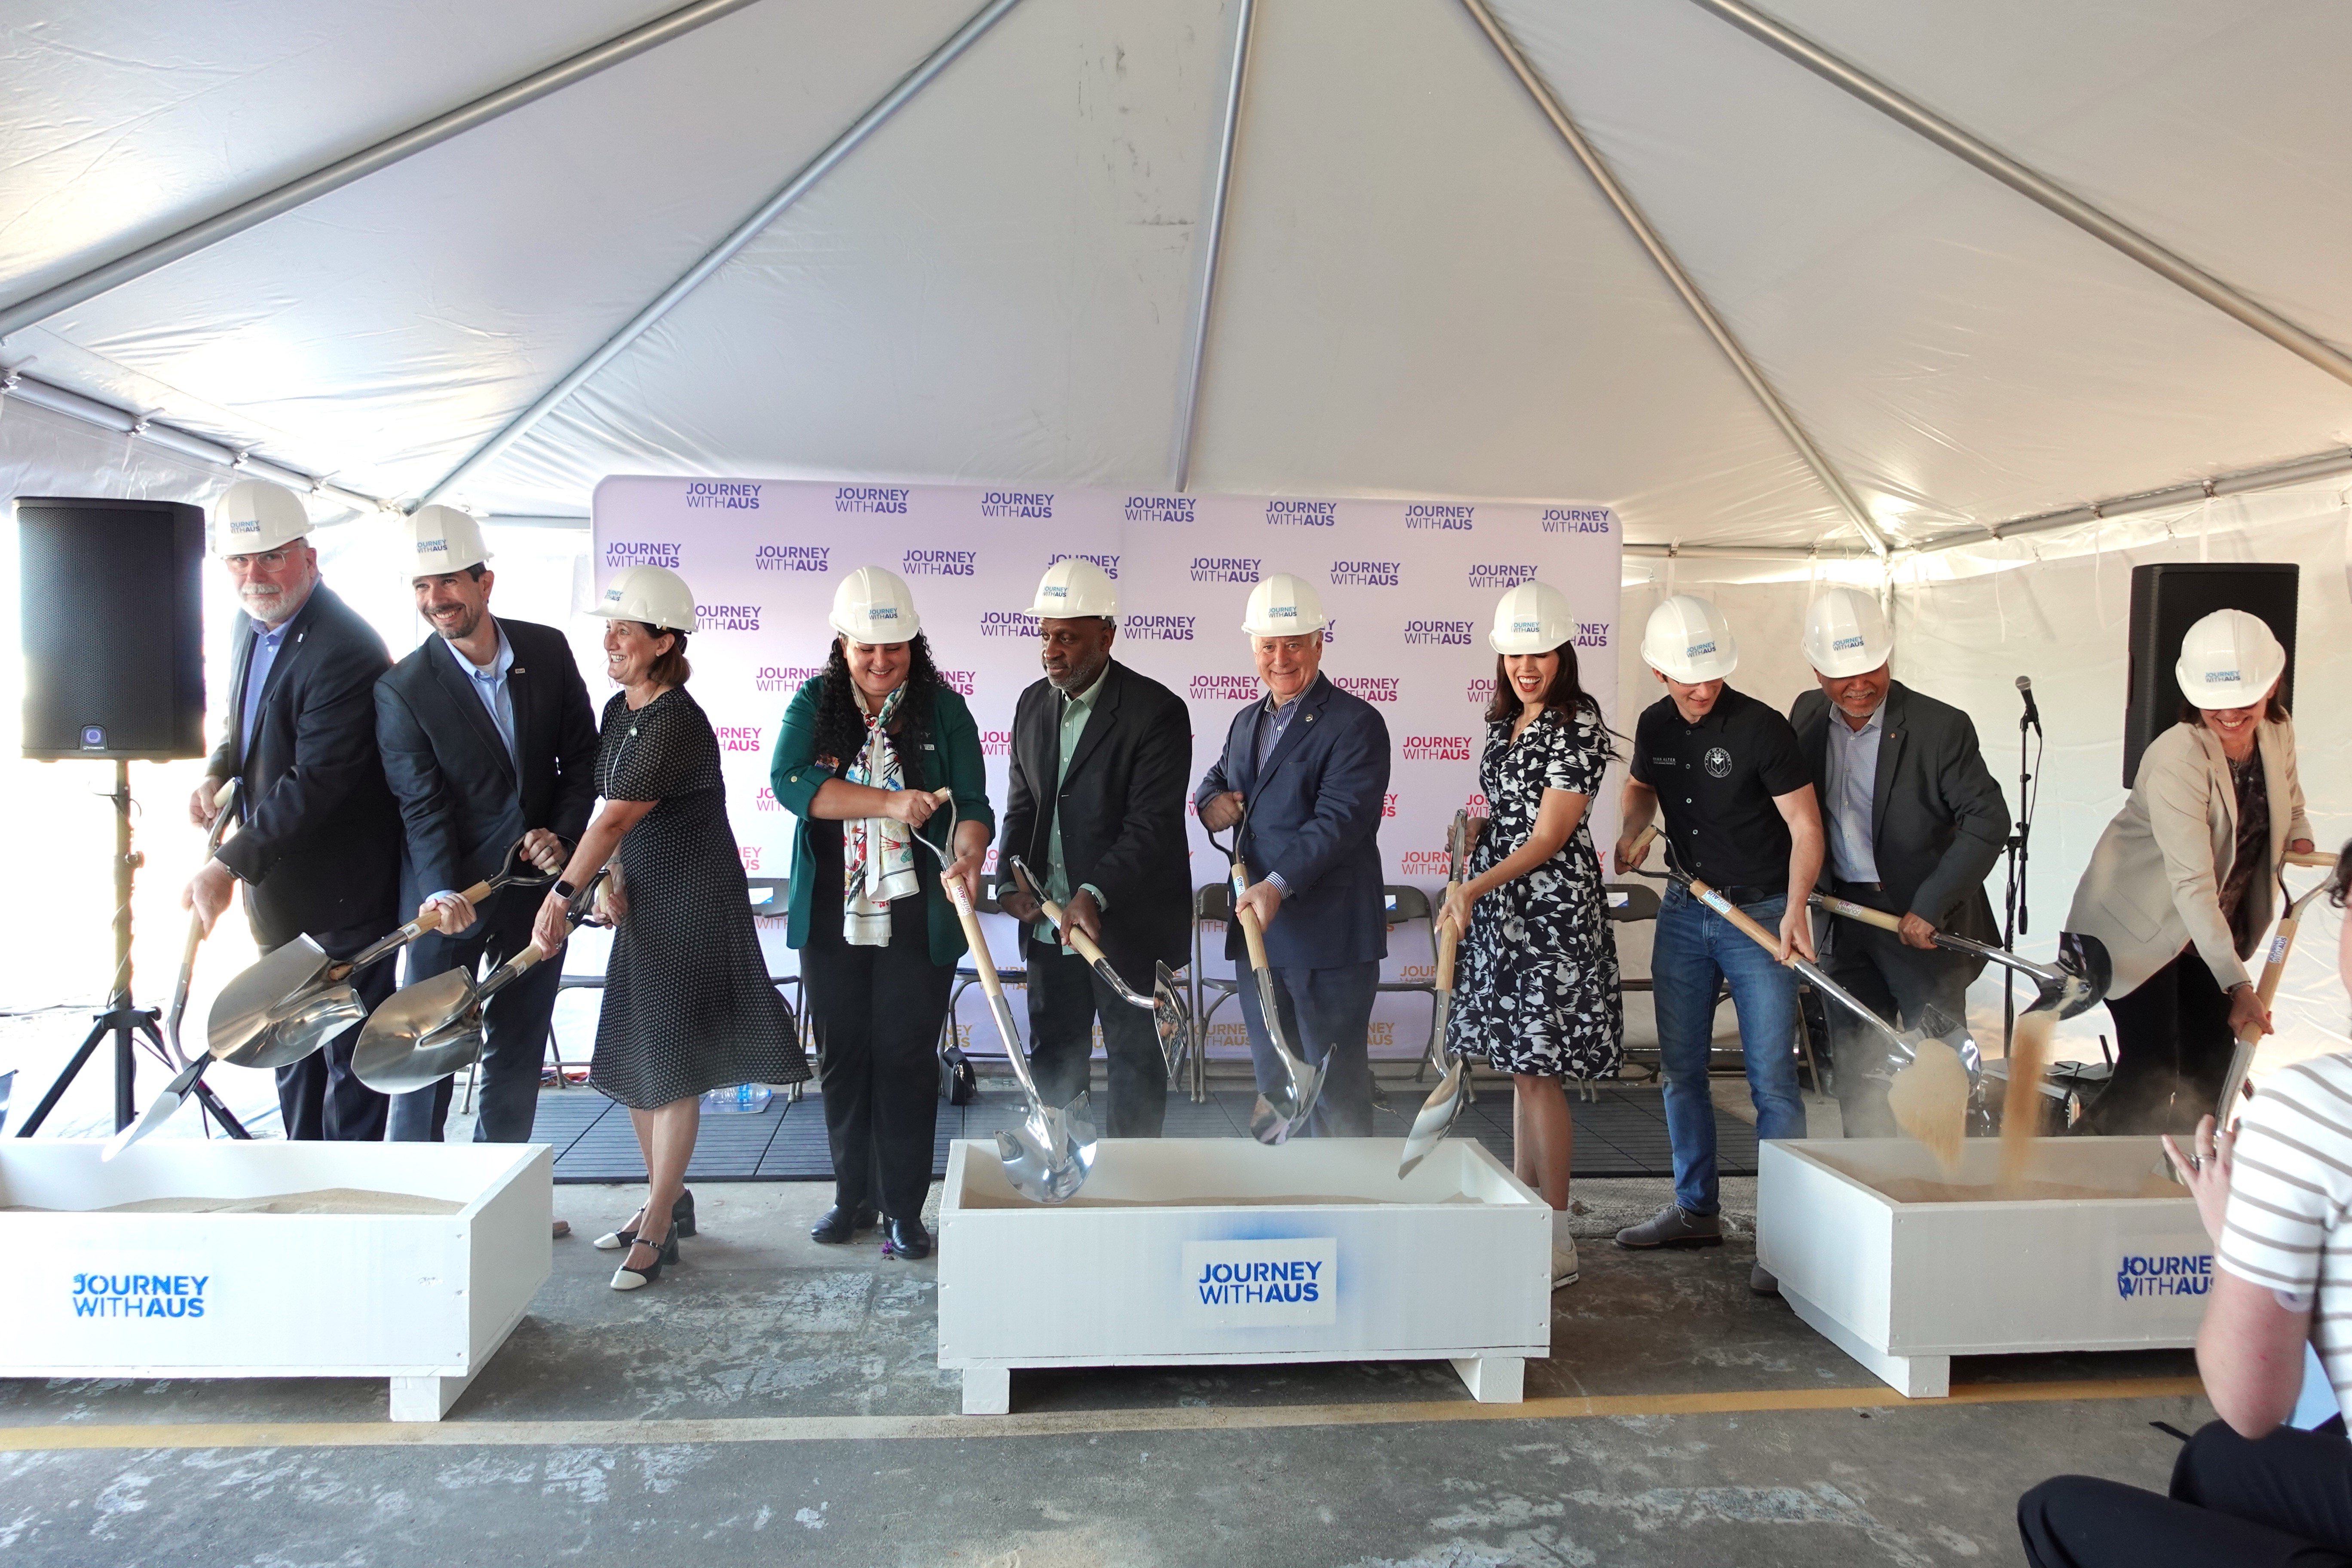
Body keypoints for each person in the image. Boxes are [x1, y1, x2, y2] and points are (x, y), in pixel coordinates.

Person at [2015, 842, 2352, 1567]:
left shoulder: (2313, 1107)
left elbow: (2251, 1402)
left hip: (2183, 946)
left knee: (2054, 1508)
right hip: (2154, 943)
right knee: (2215, 1459)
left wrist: (2238, 1239)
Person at [531, 565, 807, 1291]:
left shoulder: (675, 719)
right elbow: (614, 814)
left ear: (664, 640)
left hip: (693, 900)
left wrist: (564, 892)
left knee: (673, 1059)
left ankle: (657, 1219)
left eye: (625, 627)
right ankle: (667, 1196)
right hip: (647, 895)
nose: (610, 638)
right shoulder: (621, 711)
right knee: (633, 1051)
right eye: (610, 626)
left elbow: (616, 814)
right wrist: (611, 876)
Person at [768, 566, 991, 1260]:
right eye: (866, 648)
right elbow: (792, 784)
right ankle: (851, 1197)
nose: (880, 660)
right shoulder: (814, 702)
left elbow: (972, 807)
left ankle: (904, 1208)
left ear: (913, 646)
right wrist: (891, 801)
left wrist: (970, 852)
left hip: (917, 917)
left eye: (893, 648)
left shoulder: (943, 709)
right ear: (842, 645)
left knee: (903, 1059)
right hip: (834, 919)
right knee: (842, 1059)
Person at [374, 506, 599, 1183]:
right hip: (453, 897)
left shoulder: (547, 650)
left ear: (485, 582)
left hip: (538, 891)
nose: (435, 600)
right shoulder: (403, 688)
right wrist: (443, 889)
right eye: (421, 587)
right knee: (427, 1047)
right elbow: (422, 803)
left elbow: (583, 760)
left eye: (447, 582)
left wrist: (560, 838)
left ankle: (503, 1191)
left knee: (519, 1043)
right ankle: (414, 1193)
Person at [1611, 594, 1823, 1292]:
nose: (1700, 688)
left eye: (1708, 676)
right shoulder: (1652, 723)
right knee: (1680, 1069)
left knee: (1771, 1078)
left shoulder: (1763, 728)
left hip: (1759, 911)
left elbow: (1805, 826)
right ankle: (1696, 1208)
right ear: (1657, 671)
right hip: (1685, 905)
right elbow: (1640, 788)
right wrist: (1633, 828)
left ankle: (1788, 1238)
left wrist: (1795, 909)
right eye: (1684, 678)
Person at [184, 479, 401, 1142]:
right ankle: (304, 1183)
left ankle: (351, 1203)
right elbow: (244, 722)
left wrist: (226, 866)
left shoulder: (344, 648)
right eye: (240, 562)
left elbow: (319, 780)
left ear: (308, 557)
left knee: (349, 1062)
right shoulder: (249, 626)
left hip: (342, 899)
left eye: (272, 557)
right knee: (289, 1049)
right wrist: (218, 770)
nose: (255, 575)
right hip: (279, 896)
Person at [1438, 582, 1623, 1291]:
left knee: (1540, 1069)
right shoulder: (1503, 720)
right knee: (1520, 1065)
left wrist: (1470, 887)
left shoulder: (1578, 721)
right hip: (1506, 909)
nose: (1526, 664)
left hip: (1552, 912)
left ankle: (1556, 1231)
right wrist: (1478, 830)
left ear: (1562, 652)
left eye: (1539, 651)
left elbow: (1551, 834)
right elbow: (1515, 811)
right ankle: (1523, 1206)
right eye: (1515, 651)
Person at [2068, 609, 2313, 1134]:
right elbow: (2193, 885)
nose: (2228, 714)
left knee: (2211, 1066)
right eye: (2214, 702)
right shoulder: (2179, 757)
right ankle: (2083, 1178)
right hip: (2135, 929)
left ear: (2272, 685)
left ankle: (2184, 1183)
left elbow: (2291, 805)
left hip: (2204, 932)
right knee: (2151, 1072)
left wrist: (2303, 843)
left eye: (2244, 700)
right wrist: (2238, 987)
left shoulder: (2277, 731)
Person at [1787, 588, 2009, 1137]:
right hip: (1843, 916)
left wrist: (1931, 905)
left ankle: (1946, 1183)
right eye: (1843, 674)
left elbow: (1988, 821)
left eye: (1872, 668)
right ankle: (1870, 1182)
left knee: (1941, 1061)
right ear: (1817, 671)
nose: (1860, 684)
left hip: (1917, 922)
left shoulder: (1940, 727)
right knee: (1859, 1063)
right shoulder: (1806, 714)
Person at [994, 560, 1192, 1137]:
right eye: (1046, 635)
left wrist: (1093, 893)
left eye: (1068, 637)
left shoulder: (1157, 712)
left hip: (1125, 930)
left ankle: (1132, 1195)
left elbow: (1150, 826)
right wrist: (1011, 880)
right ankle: (1062, 1170)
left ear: (1107, 637)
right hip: (1050, 926)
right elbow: (1021, 807)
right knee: (1054, 1055)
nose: (1052, 649)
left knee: (1136, 1062)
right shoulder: (1033, 704)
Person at [1195, 573, 1391, 1137]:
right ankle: (1289, 1207)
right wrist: (1211, 805)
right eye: (1268, 646)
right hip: (1262, 937)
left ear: (1319, 643)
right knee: (1278, 1087)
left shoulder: (1355, 724)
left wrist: (1277, 884)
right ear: (1253, 648)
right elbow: (1216, 783)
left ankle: (1350, 1207)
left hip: (1326, 941)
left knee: (1335, 1089)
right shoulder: (1245, 722)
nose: (1280, 659)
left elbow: (1340, 823)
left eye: (1293, 644)